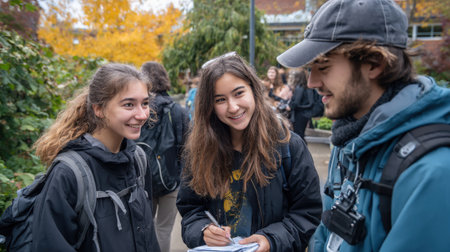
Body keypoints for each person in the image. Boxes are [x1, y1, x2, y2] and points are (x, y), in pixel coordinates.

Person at [277, 0, 450, 251]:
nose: (312, 82)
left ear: (374, 63)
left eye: (323, 66)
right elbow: (326, 233)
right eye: (310, 68)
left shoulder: (432, 173)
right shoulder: (349, 139)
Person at [176, 52, 322, 252]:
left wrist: (271, 240)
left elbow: (307, 212)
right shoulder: (199, 151)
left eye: (238, 93)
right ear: (209, 106)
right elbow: (190, 209)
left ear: (253, 90)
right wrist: (203, 230)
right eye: (220, 100)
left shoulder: (288, 146)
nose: (233, 107)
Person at [31, 63, 161, 251]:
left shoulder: (138, 159)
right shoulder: (68, 174)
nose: (142, 115)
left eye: (145, 103)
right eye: (129, 105)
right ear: (98, 109)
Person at [139, 61, 189, 252]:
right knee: (164, 229)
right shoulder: (178, 111)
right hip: (171, 179)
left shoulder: (140, 110)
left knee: (146, 226)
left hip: (143, 180)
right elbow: (187, 146)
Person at [288, 68, 315, 139]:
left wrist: (290, 105)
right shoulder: (308, 88)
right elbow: (311, 103)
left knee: (298, 135)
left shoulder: (299, 88)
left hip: (298, 115)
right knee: (301, 135)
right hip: (305, 115)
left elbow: (296, 103)